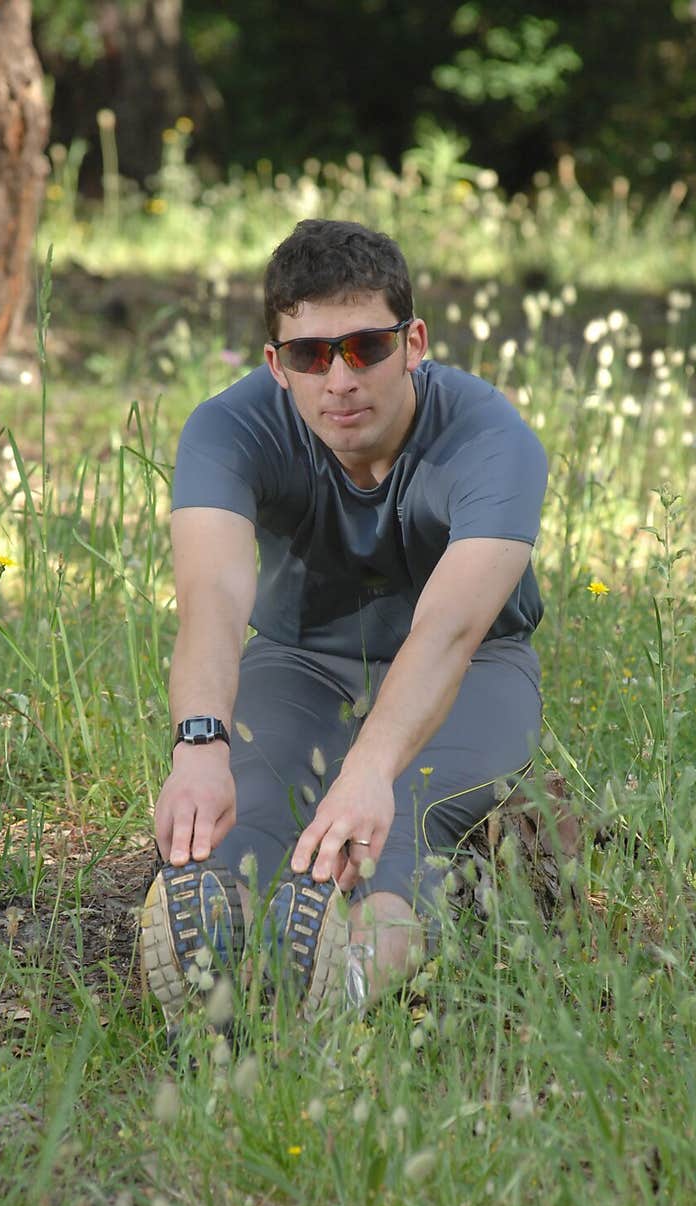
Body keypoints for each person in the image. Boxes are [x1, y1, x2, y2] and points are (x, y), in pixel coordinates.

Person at [140, 217, 548, 1025]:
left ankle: (350, 979)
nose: (340, 379)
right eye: (310, 354)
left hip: (471, 673)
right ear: (276, 364)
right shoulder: (227, 429)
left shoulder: (494, 441)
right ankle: (213, 970)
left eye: (366, 346)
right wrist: (198, 745)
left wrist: (369, 768)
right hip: (299, 662)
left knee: (392, 829)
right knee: (243, 821)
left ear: (414, 340)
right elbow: (214, 599)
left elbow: (452, 631)